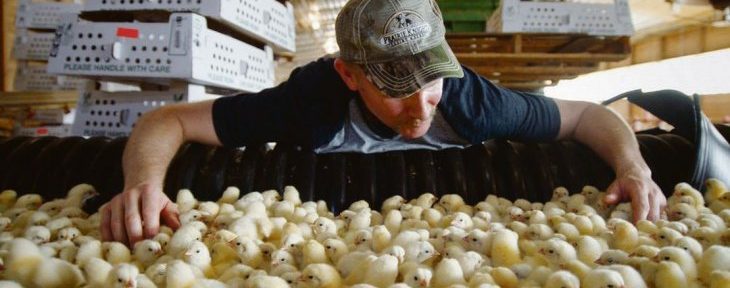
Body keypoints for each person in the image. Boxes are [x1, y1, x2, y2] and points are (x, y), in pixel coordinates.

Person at [100, 0, 666, 246]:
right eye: (397, 91)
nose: (422, 107)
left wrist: (633, 166)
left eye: (432, 81)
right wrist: (143, 185)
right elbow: (167, 120)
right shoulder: (307, 102)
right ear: (349, 75)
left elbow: (586, 117)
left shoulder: (474, 101)